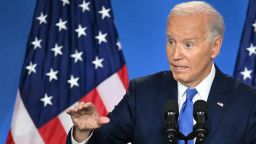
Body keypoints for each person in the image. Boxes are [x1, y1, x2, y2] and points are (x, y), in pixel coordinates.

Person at [66, 1, 256, 144]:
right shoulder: (142, 92)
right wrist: (82, 134)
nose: (175, 55)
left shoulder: (247, 101)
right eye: (171, 42)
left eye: (188, 45)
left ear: (215, 47)